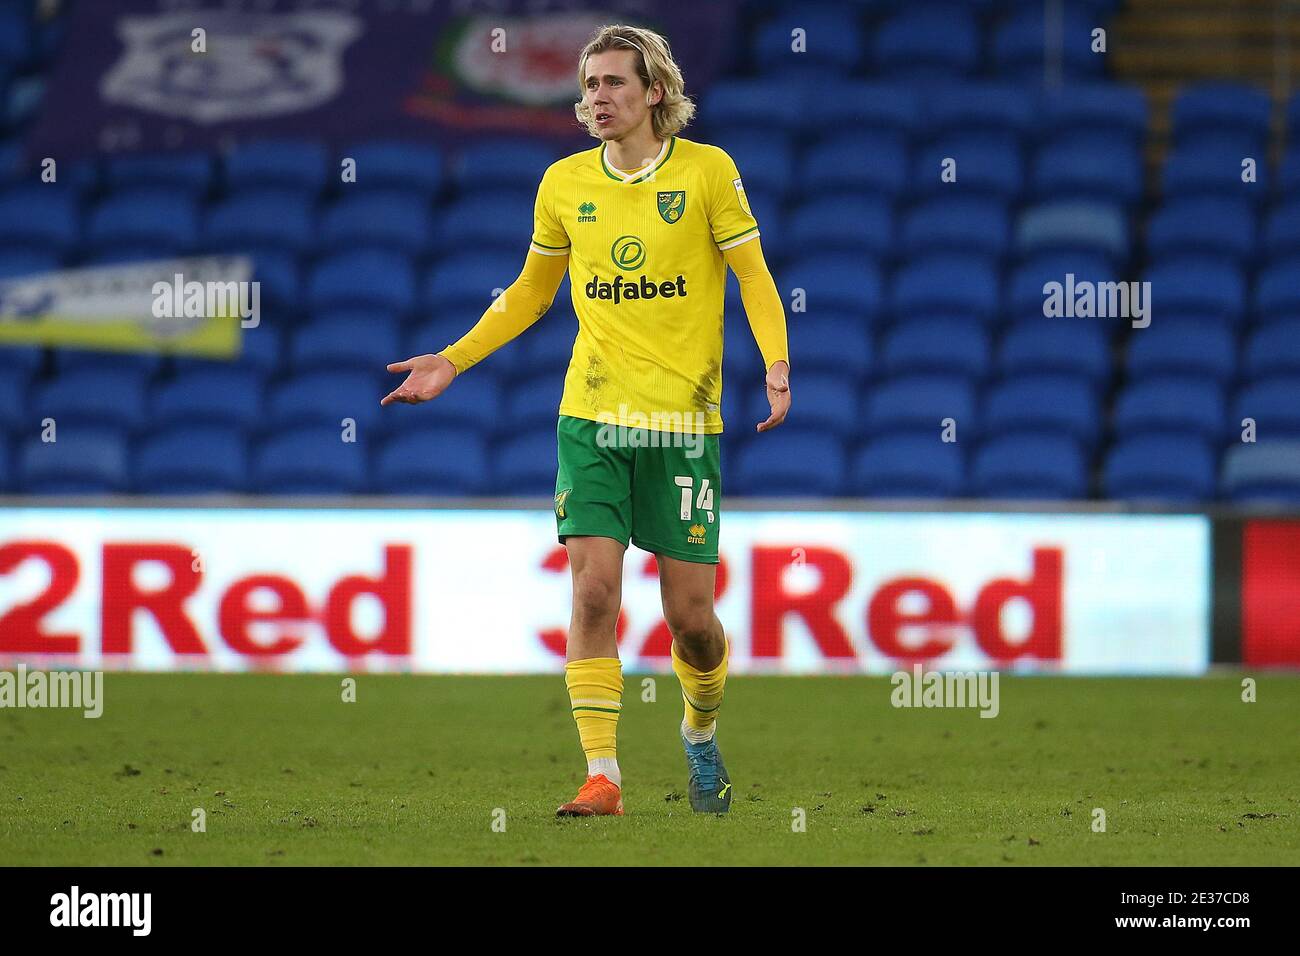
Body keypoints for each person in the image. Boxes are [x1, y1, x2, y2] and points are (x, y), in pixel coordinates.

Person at [382, 23, 790, 817]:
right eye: (589, 85)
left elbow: (755, 277)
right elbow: (532, 292)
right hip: (593, 415)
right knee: (595, 592)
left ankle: (699, 734)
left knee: (691, 620)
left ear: (655, 93)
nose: (596, 98)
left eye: (612, 83)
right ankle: (603, 775)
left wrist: (775, 361)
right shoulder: (564, 183)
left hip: (681, 425)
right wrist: (454, 358)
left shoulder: (709, 173)